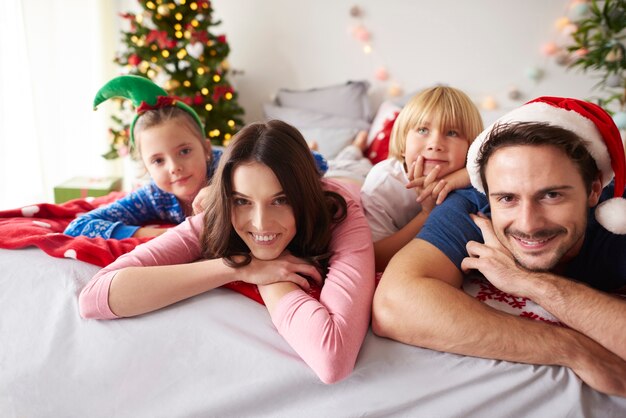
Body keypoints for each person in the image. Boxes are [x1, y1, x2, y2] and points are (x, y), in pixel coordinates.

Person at [78, 120, 375, 384]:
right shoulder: (218, 214)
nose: (260, 223)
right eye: (243, 201)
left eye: (280, 200)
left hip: (353, 180)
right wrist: (240, 266)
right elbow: (94, 297)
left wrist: (273, 280)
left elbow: (333, 358)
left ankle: (354, 148)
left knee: (355, 164)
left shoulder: (338, 209)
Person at [372, 96, 626, 396]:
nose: (528, 224)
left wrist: (529, 281)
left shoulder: (617, 221)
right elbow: (395, 303)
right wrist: (572, 348)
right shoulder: (473, 206)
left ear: (594, 190)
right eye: (507, 198)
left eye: (552, 195)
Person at [64, 75, 221, 239]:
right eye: (158, 160)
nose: (174, 167)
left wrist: (225, 191)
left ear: (206, 149)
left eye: (184, 151)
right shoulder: (155, 196)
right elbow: (78, 226)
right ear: (146, 167)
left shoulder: (231, 169)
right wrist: (162, 234)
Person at [360, 86, 484, 271]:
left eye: (452, 133)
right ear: (403, 143)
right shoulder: (383, 184)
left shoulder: (474, 174)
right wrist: (427, 213)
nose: (435, 144)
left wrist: (466, 174)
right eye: (423, 130)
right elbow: (375, 259)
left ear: (471, 147)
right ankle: (357, 145)